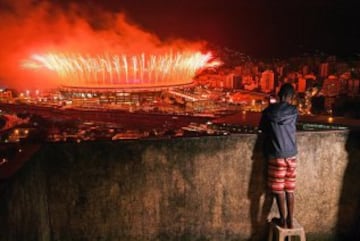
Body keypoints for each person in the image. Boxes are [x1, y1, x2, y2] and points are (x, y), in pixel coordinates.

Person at [259, 83, 298, 229]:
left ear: (279, 95)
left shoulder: (269, 111)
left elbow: (262, 129)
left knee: (278, 189)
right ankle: (290, 221)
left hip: (277, 154)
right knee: (289, 189)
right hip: (292, 155)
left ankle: (282, 220)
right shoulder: (294, 111)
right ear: (291, 97)